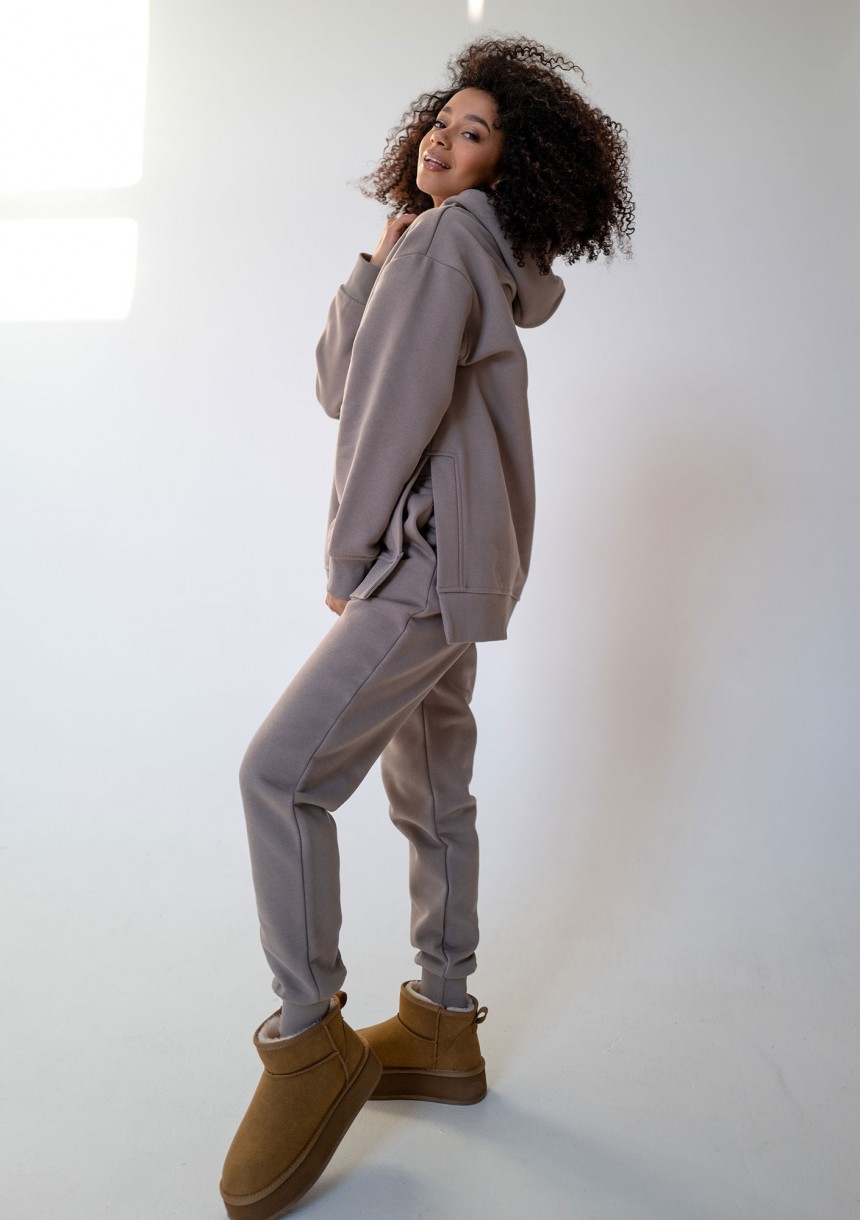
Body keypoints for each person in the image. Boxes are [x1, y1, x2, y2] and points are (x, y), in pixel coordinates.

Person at [219, 33, 635, 1220]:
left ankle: (309, 1039)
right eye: (440, 121)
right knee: (430, 784)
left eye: (473, 130)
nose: (442, 139)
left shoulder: (455, 243)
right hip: (466, 563)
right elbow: (340, 382)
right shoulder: (444, 245)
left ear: (511, 164)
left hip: (420, 559)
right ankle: (442, 1024)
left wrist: (350, 554)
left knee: (278, 776)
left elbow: (384, 414)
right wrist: (373, 258)